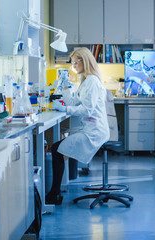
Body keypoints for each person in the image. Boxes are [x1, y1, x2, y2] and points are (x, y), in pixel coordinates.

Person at [46, 47, 110, 205]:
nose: (73, 66)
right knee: (59, 150)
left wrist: (65, 109)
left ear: (85, 61)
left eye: (75, 62)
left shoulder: (93, 81)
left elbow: (87, 109)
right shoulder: (86, 80)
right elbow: (75, 102)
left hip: (95, 132)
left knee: (56, 149)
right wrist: (66, 91)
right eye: (72, 62)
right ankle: (55, 193)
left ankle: (54, 194)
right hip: (89, 128)